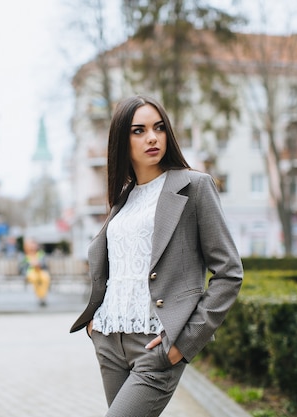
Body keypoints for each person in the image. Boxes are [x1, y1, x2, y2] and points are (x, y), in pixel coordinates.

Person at [70, 95, 244, 417]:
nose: (152, 137)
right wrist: (96, 326)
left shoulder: (194, 186)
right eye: (139, 130)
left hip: (156, 343)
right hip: (109, 338)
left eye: (159, 128)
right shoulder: (124, 198)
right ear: (122, 140)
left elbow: (229, 273)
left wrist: (183, 344)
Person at [21, 238, 51, 306]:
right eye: (30, 245)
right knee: (36, 278)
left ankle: (42, 297)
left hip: (40, 271)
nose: (32, 247)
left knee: (45, 277)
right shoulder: (24, 256)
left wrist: (38, 264)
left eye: (33, 245)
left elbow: (45, 265)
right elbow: (21, 267)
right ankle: (41, 297)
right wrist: (30, 264)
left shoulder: (41, 254)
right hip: (30, 272)